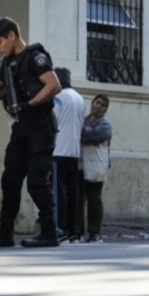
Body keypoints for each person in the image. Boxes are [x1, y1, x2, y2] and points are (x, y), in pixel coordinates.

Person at [0, 17, 61, 248]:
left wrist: (30, 104)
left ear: (12, 35)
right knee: (10, 180)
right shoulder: (8, 63)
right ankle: (5, 234)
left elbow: (53, 85)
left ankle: (49, 233)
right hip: (22, 128)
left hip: (40, 127)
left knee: (36, 182)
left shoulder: (35, 57)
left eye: (0, 42)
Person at [52, 67, 85, 243]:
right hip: (74, 152)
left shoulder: (58, 98)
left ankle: (61, 228)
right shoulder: (79, 98)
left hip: (58, 151)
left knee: (58, 194)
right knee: (73, 194)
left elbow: (52, 120)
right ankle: (74, 231)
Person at [81, 94, 112, 243]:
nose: (98, 106)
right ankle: (78, 230)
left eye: (102, 105)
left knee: (94, 199)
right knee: (78, 199)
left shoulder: (105, 123)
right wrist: (86, 131)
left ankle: (95, 231)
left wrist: (85, 132)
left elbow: (97, 136)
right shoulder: (83, 120)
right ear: (92, 103)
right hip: (81, 164)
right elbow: (82, 134)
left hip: (96, 165)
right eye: (97, 102)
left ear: (105, 109)